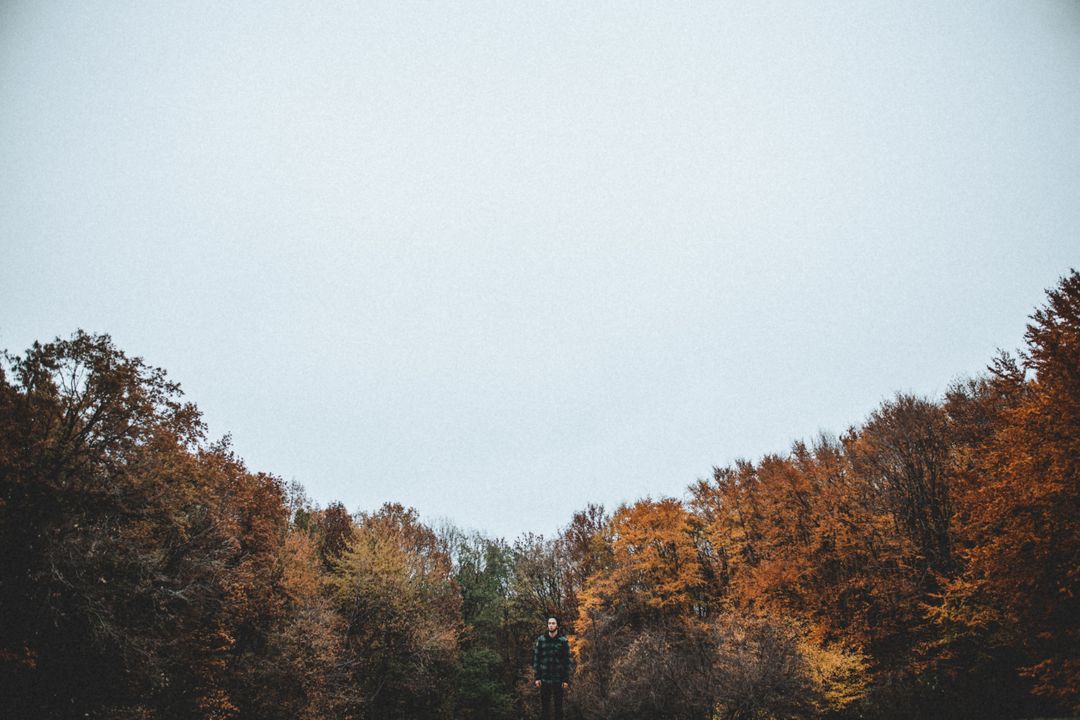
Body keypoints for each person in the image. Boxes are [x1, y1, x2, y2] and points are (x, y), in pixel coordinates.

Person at [532, 616, 572, 720]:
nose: (551, 625)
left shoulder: (563, 641)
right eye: (549, 623)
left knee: (558, 708)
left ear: (557, 625)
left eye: (553, 623)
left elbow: (567, 662)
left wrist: (565, 679)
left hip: (558, 680)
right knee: (545, 708)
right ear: (547, 625)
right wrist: (537, 677)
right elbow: (537, 659)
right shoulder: (541, 640)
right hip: (544, 679)